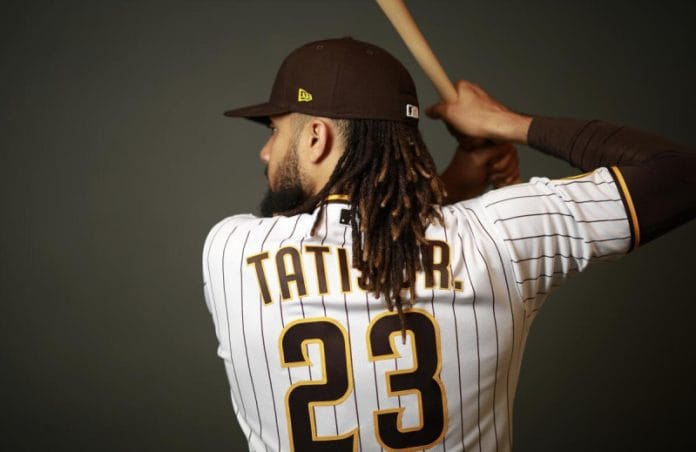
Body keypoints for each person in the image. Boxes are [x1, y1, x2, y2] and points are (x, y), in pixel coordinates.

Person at [202, 37, 695, 451]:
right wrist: (503, 122)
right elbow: (680, 174)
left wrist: (457, 181)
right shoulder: (499, 237)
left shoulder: (231, 251)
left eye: (275, 130)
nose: (266, 151)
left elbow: (355, 239)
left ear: (316, 137)